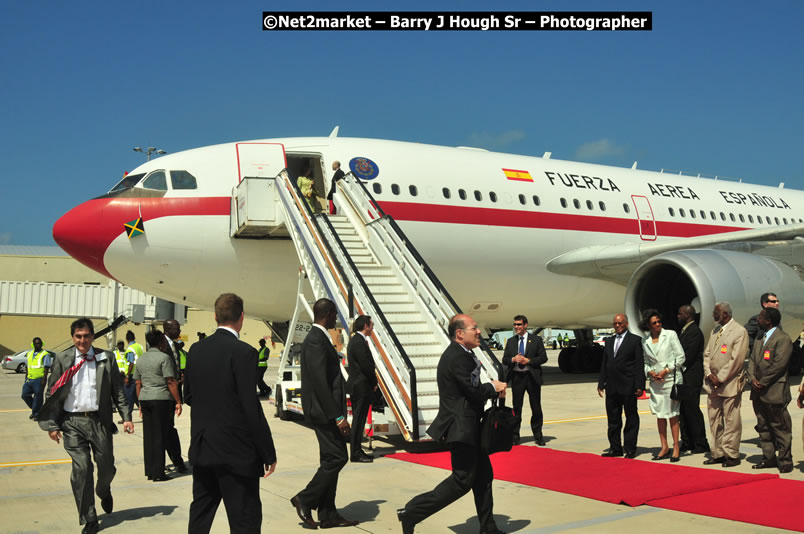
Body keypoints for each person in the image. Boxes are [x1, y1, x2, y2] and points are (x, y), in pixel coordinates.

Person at [397, 314, 507, 534]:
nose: (479, 331)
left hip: (470, 427)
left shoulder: (463, 354)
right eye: (474, 328)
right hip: (462, 429)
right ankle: (412, 512)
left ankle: (488, 528)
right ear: (459, 334)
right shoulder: (457, 357)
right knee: (462, 481)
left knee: (484, 477)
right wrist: (492, 388)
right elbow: (472, 391)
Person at [184, 293, 277, 534]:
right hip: (236, 453)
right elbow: (250, 407)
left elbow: (189, 396)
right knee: (244, 520)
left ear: (215, 317)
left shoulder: (196, 350)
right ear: (242, 317)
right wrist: (267, 451)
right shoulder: (244, 352)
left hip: (204, 447)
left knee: (200, 515)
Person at [38, 317, 133, 534]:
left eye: (86, 336)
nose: (82, 340)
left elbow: (117, 389)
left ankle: (104, 490)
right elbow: (52, 392)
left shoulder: (105, 358)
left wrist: (126, 416)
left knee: (106, 467)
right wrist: (52, 424)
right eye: (78, 336)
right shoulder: (62, 359)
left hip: (99, 421)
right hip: (72, 422)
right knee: (81, 469)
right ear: (73, 337)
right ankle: (89, 518)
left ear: (92, 336)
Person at [291, 298, 359, 529]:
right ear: (328, 314)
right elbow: (320, 382)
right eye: (334, 314)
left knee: (330, 459)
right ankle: (305, 498)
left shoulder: (319, 338)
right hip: (324, 413)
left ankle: (328, 514)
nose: (336, 318)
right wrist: (337, 416)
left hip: (325, 411)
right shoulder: (315, 340)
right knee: (338, 458)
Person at [747, 307, 794, 473]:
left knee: (780, 427)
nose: (757, 320)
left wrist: (763, 382)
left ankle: (785, 460)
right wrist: (752, 379)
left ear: (768, 321)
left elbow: (779, 365)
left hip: (774, 390)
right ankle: (769, 458)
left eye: (760, 317)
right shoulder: (760, 338)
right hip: (758, 391)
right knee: (763, 426)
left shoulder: (783, 339)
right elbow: (752, 361)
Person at [703, 301, 749, 467]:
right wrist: (709, 373)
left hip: (729, 383)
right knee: (714, 419)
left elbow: (736, 360)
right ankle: (718, 453)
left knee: (731, 420)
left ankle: (731, 454)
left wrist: (720, 377)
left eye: (716, 313)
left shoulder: (739, 331)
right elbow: (707, 355)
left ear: (725, 314)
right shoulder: (715, 331)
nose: (713, 315)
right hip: (712, 383)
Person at [134, 330, 182, 481]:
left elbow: (138, 383)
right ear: (161, 342)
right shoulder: (164, 358)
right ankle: (158, 473)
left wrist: (140, 402)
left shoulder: (141, 359)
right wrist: (178, 401)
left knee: (149, 436)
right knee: (160, 435)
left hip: (145, 398)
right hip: (160, 398)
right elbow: (170, 381)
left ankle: (150, 470)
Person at [640, 310, 685, 462]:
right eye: (654, 323)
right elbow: (645, 362)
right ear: (648, 325)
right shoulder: (645, 341)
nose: (658, 324)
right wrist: (650, 371)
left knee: (672, 414)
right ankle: (664, 446)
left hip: (670, 379)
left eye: (659, 321)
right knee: (660, 414)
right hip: (656, 382)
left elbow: (680, 357)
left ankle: (676, 446)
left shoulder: (670, 335)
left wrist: (666, 370)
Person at [598, 313, 644, 458]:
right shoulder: (609, 341)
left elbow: (639, 365)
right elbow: (605, 363)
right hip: (612, 386)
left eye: (620, 323)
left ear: (626, 324)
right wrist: (601, 382)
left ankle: (630, 448)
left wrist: (640, 385)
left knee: (631, 418)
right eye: (615, 324)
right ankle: (615, 448)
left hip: (628, 386)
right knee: (613, 419)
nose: (617, 326)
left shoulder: (635, 340)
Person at [502, 315, 547, 445]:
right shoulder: (511, 341)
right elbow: (505, 359)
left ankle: (538, 436)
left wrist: (529, 361)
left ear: (525, 325)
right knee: (517, 408)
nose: (516, 327)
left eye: (519, 324)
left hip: (532, 377)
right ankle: (515, 436)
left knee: (536, 408)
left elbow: (543, 358)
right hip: (517, 377)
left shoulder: (536, 340)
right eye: (515, 324)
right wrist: (513, 359)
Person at [676, 305, 710, 454]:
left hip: (691, 377)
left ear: (688, 315)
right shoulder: (684, 331)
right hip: (684, 377)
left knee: (692, 411)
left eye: (680, 314)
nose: (678, 316)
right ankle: (687, 441)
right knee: (683, 411)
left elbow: (688, 355)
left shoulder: (694, 332)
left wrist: (675, 364)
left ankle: (700, 443)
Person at [346, 315, 377, 462]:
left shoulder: (357, 340)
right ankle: (356, 453)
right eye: (371, 325)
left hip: (359, 386)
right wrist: (374, 381)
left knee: (359, 420)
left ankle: (357, 451)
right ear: (365, 326)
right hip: (361, 387)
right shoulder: (358, 342)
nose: (372, 328)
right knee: (358, 421)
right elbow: (366, 366)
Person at [163, 319, 188, 473]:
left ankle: (177, 460)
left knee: (169, 428)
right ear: (168, 329)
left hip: (174, 389)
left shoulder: (175, 346)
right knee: (167, 429)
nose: (179, 331)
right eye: (177, 328)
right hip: (165, 393)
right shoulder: (162, 345)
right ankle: (175, 461)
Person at [22, 337, 52, 420]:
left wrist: (44, 379)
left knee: (38, 396)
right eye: (36, 343)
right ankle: (37, 410)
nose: (38, 345)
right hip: (29, 379)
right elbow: (28, 366)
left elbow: (46, 368)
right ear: (33, 344)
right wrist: (26, 377)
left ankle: (36, 413)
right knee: (24, 395)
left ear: (42, 344)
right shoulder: (29, 354)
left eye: (39, 343)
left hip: (39, 379)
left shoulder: (45, 354)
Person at [123, 330, 143, 421]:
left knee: (128, 397)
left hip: (132, 375)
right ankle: (144, 413)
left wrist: (127, 376)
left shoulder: (130, 349)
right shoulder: (139, 347)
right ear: (134, 338)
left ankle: (127, 417)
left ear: (127, 339)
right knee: (136, 396)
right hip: (140, 373)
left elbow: (131, 363)